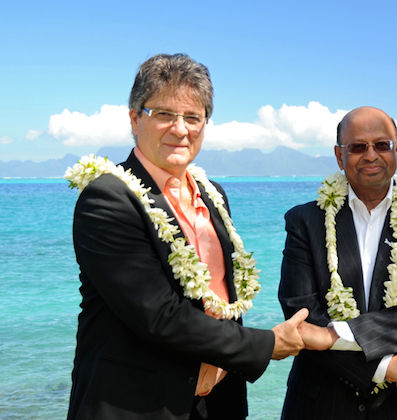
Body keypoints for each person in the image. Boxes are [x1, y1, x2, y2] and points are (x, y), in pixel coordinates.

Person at [66, 53, 313, 420]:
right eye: (164, 114)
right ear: (135, 118)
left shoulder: (213, 194)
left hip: (218, 404)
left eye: (193, 117)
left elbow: (221, 300)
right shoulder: (108, 198)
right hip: (139, 406)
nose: (180, 129)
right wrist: (267, 344)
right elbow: (158, 315)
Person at [277, 106, 397, 419]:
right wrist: (387, 367)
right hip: (321, 405)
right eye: (358, 147)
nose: (371, 155)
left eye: (382, 145)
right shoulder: (304, 221)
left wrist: (333, 335)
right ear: (339, 155)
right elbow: (301, 315)